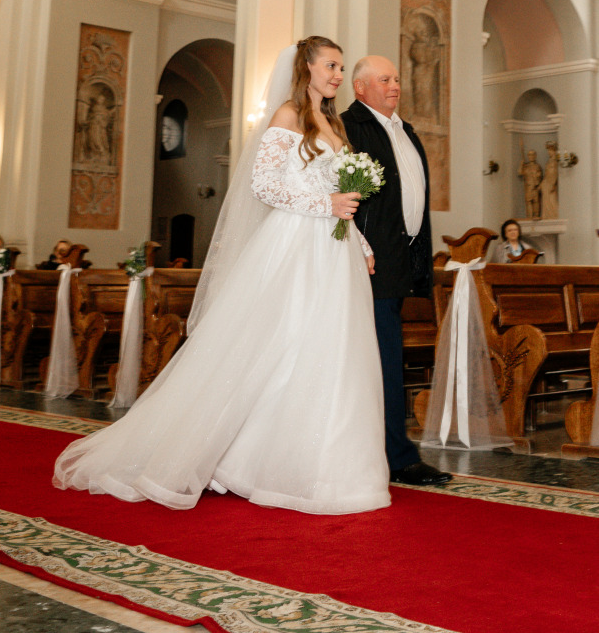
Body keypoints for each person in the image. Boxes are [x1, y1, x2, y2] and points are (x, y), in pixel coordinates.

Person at [54, 37, 390, 514]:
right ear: (306, 68)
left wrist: (361, 242)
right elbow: (265, 185)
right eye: (330, 65)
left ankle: (314, 465)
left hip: (333, 252)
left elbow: (342, 198)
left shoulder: (333, 123)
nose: (337, 74)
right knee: (278, 345)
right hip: (294, 246)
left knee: (331, 350)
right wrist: (325, 205)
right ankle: (227, 455)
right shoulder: (287, 117)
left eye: (340, 66)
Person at [342, 55, 452, 487]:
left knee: (386, 355)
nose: (395, 85)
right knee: (384, 357)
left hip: (402, 258)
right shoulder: (351, 126)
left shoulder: (404, 129)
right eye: (384, 79)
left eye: (397, 78)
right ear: (360, 88)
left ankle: (386, 451)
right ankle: (396, 457)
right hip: (371, 259)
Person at [518, 146, 543, 219]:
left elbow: (540, 176)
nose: (531, 156)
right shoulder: (525, 166)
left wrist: (538, 185)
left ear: (535, 156)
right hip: (528, 187)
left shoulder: (537, 166)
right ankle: (529, 216)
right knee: (528, 202)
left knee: (536, 202)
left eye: (532, 154)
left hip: (535, 187)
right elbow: (520, 173)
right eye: (529, 155)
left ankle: (536, 215)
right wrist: (521, 164)